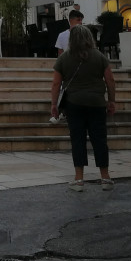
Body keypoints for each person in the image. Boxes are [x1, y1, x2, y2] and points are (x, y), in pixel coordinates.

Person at [50, 25, 116, 191]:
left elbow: (56, 83)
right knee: (99, 140)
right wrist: (112, 100)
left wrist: (53, 105)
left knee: (78, 140)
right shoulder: (99, 56)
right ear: (89, 38)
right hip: (97, 103)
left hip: (74, 104)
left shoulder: (64, 58)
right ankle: (105, 177)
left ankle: (79, 180)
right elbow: (110, 80)